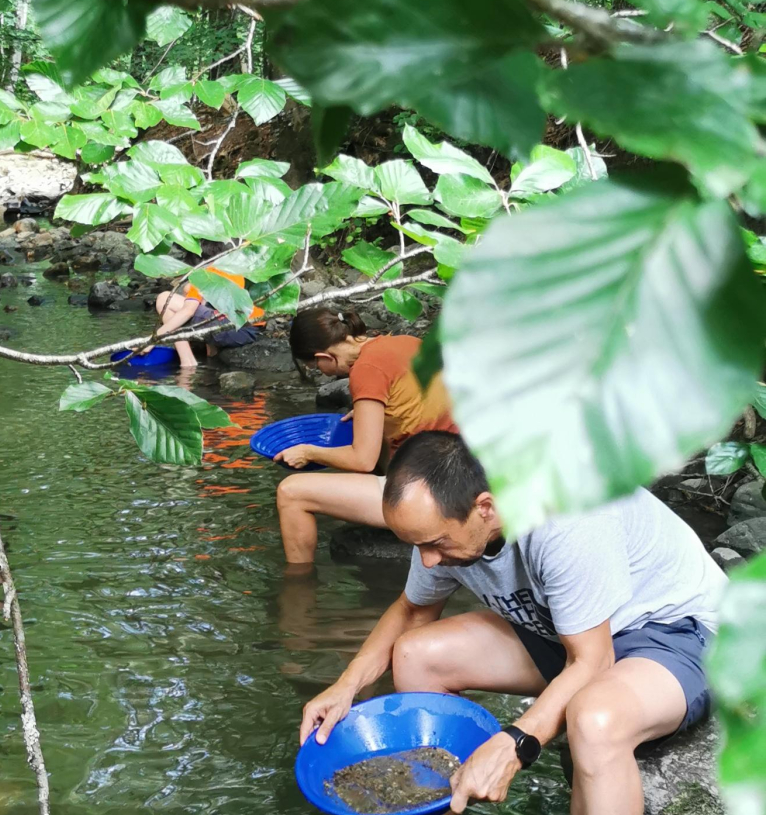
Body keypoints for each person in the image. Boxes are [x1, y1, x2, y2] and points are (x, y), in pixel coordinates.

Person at [300, 431, 725, 815]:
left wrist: (515, 742)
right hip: (567, 629)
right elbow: (411, 611)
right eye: (417, 545)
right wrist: (347, 686)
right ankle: (438, 804)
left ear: (485, 507)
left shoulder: (566, 517)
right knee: (414, 655)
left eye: (435, 544)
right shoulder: (450, 522)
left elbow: (593, 662)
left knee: (593, 720)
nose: (428, 560)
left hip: (677, 632)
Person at [272, 307, 455, 564]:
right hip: (465, 468)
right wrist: (371, 413)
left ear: (325, 356)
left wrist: (308, 451)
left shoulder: (366, 369)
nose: (321, 372)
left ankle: (298, 585)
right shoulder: (406, 342)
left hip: (437, 494)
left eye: (316, 366)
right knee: (373, 437)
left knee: (291, 493)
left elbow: (363, 460)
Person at [151, 263, 264, 369]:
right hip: (252, 329)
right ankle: (211, 351)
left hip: (234, 329)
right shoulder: (238, 266)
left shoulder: (208, 273)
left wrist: (151, 340)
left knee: (165, 298)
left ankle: (188, 362)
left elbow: (188, 311)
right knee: (193, 296)